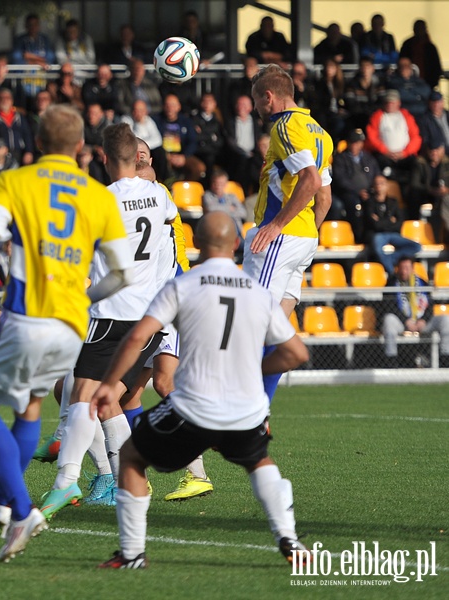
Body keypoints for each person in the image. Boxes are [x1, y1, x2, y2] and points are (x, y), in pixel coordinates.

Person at [91, 212, 310, 569]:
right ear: (237, 244)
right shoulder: (258, 292)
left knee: (131, 457)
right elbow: (296, 354)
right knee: (258, 461)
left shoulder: (183, 285)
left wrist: (106, 383)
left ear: (195, 244)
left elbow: (138, 336)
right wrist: (254, 370)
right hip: (246, 409)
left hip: (194, 407)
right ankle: (289, 539)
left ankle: (132, 553)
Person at [0, 103, 133, 562]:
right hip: (73, 325)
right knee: (30, 404)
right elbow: (122, 274)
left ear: (36, 143)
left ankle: (21, 509)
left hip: (26, 313)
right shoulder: (99, 196)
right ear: (80, 147)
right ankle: (2, 502)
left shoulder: (15, 181)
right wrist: (87, 296)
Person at [38, 123, 176, 520]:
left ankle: (66, 481)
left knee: (81, 395)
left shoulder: (97, 200)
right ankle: (129, 483)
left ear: (101, 157)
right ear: (137, 157)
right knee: (108, 399)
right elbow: (164, 220)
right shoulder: (159, 195)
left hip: (111, 313)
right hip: (150, 318)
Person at [244, 64, 332, 402]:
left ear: (269, 96)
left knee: (249, 325)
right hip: (304, 237)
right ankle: (260, 409)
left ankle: (241, 409)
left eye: (257, 101)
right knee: (275, 330)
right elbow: (323, 195)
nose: (256, 109)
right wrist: (308, 234)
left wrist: (279, 225)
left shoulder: (284, 126)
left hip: (279, 239)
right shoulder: (319, 130)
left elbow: (309, 179)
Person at [381, 256, 449, 367]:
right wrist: (406, 321)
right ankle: (391, 362)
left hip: (422, 322)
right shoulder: (391, 284)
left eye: (407, 268)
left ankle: (446, 359)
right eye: (401, 268)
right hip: (401, 323)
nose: (404, 271)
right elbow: (389, 307)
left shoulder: (423, 283)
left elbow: (430, 305)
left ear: (412, 269)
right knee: (389, 320)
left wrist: (423, 320)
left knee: (446, 320)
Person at [365, 90, 422, 199]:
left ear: (398, 103)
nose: (390, 105)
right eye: (388, 102)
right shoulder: (378, 116)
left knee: (416, 165)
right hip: (385, 156)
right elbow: (372, 137)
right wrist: (385, 151)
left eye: (392, 102)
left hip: (404, 156)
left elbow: (416, 137)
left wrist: (405, 152)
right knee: (379, 163)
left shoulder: (406, 116)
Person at [363, 174, 420, 273]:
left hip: (393, 234)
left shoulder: (393, 202)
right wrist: (390, 221)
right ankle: (393, 274)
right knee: (377, 248)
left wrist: (381, 222)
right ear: (373, 186)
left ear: (387, 186)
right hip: (378, 234)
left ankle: (390, 259)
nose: (379, 186)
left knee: (416, 246)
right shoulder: (369, 203)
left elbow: (400, 222)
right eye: (376, 184)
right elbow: (374, 225)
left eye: (382, 183)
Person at [331, 128, 380, 241]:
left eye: (357, 142)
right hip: (348, 194)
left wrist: (373, 189)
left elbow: (377, 174)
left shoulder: (368, 158)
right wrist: (358, 191)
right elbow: (340, 180)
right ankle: (357, 237)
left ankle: (371, 236)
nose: (354, 145)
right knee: (355, 206)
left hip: (368, 192)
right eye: (352, 142)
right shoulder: (340, 158)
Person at [0, 88, 35, 167]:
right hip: (0, 156)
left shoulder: (20, 117)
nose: (4, 100)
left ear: (12, 101)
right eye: (1, 98)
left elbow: (27, 135)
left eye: (7, 98)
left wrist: (29, 151)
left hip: (19, 153)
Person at [10, 14, 56, 105]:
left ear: (39, 26)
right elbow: (16, 59)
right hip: (23, 83)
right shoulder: (20, 40)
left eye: (35, 24)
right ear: (26, 26)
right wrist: (39, 62)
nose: (33, 27)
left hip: (41, 83)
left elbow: (50, 58)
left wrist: (29, 56)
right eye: (30, 24)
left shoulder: (45, 39)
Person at [410, 143, 449, 242]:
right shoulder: (420, 163)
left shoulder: (447, 164)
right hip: (424, 196)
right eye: (431, 150)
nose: (434, 153)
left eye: (436, 150)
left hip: (443, 197)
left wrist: (446, 190)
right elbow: (414, 184)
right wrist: (431, 190)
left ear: (442, 150)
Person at [399, 20, 442, 90]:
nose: (419, 31)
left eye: (421, 29)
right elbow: (402, 61)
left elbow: (436, 67)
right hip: (409, 82)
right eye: (417, 29)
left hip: (427, 82)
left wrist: (433, 83)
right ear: (414, 30)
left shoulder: (430, 47)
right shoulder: (407, 45)